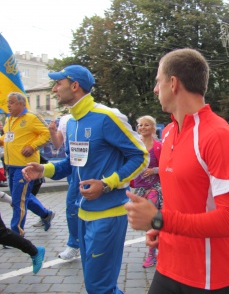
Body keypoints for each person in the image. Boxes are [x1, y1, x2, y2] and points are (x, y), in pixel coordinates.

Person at [124, 48, 229, 293]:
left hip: (207, 277)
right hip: (167, 265)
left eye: (158, 81)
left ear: (173, 83)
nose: (155, 89)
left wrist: (159, 218)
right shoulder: (168, 132)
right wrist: (160, 228)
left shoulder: (217, 135)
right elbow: (179, 200)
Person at [22, 64, 149, 294]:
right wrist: (44, 170)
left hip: (109, 216)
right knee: (97, 287)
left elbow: (141, 156)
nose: (54, 89)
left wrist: (108, 183)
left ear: (75, 85)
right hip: (83, 215)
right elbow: (72, 164)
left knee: (100, 288)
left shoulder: (107, 116)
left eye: (58, 83)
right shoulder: (70, 122)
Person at [0, 92, 55, 236]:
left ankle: (16, 234)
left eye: (11, 102)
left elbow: (47, 134)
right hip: (10, 165)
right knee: (22, 197)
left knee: (18, 201)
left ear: (21, 103)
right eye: (8, 102)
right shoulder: (9, 119)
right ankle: (45, 214)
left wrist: (32, 146)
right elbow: (8, 137)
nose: (8, 105)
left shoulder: (31, 118)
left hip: (25, 166)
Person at [131, 115, 162, 268]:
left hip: (155, 188)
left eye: (146, 125)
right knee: (146, 221)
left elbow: (168, 167)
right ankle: (159, 243)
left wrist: (154, 170)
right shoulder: (134, 146)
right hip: (138, 188)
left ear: (153, 128)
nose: (142, 127)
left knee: (153, 220)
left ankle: (152, 254)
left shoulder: (158, 146)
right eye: (140, 125)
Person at [48, 114, 80, 260]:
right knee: (72, 207)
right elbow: (58, 144)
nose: (55, 89)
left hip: (88, 168)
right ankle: (75, 244)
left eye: (58, 88)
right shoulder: (66, 119)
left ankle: (78, 243)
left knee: (77, 205)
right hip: (72, 165)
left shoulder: (96, 114)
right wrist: (52, 132)